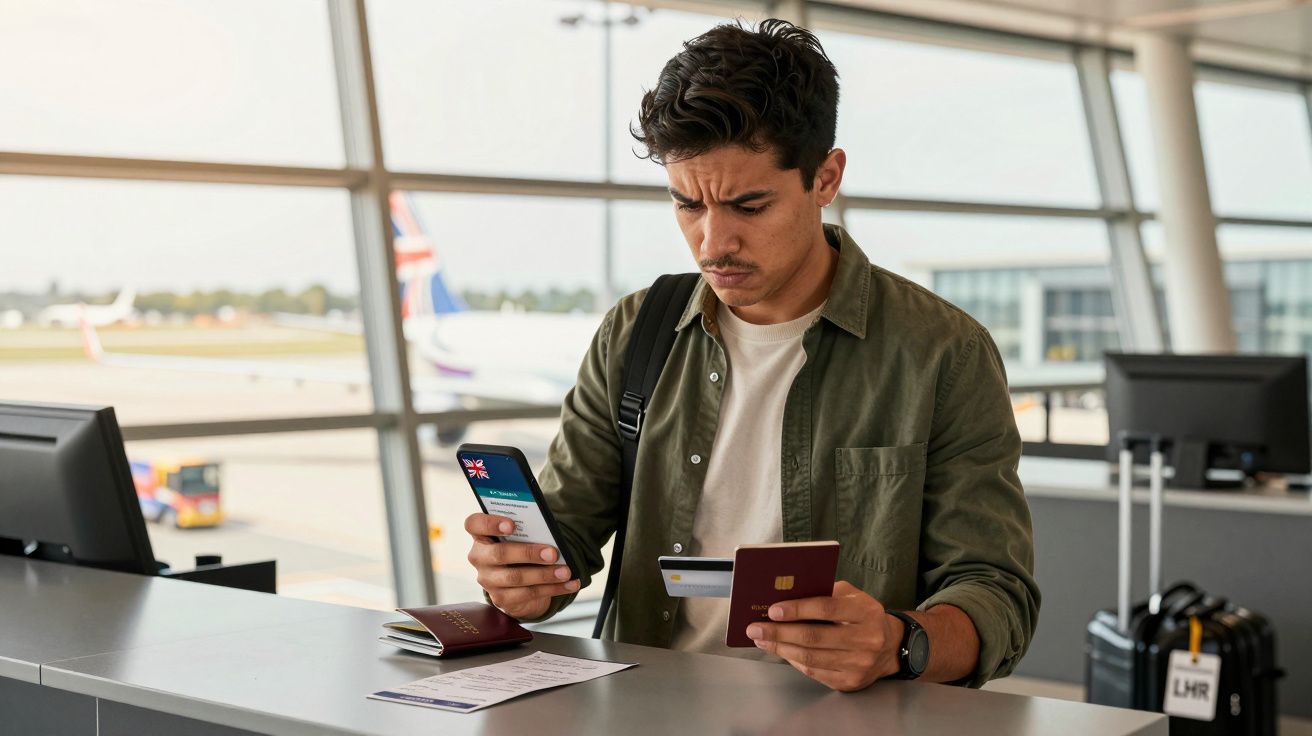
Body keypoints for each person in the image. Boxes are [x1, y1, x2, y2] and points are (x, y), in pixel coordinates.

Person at [464, 18, 1039, 692]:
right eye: (687, 205)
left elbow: (997, 595)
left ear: (825, 178)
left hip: (841, 718)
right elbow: (563, 546)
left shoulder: (941, 352)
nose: (713, 243)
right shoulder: (636, 330)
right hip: (646, 708)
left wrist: (897, 644)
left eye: (749, 205)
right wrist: (524, 578)